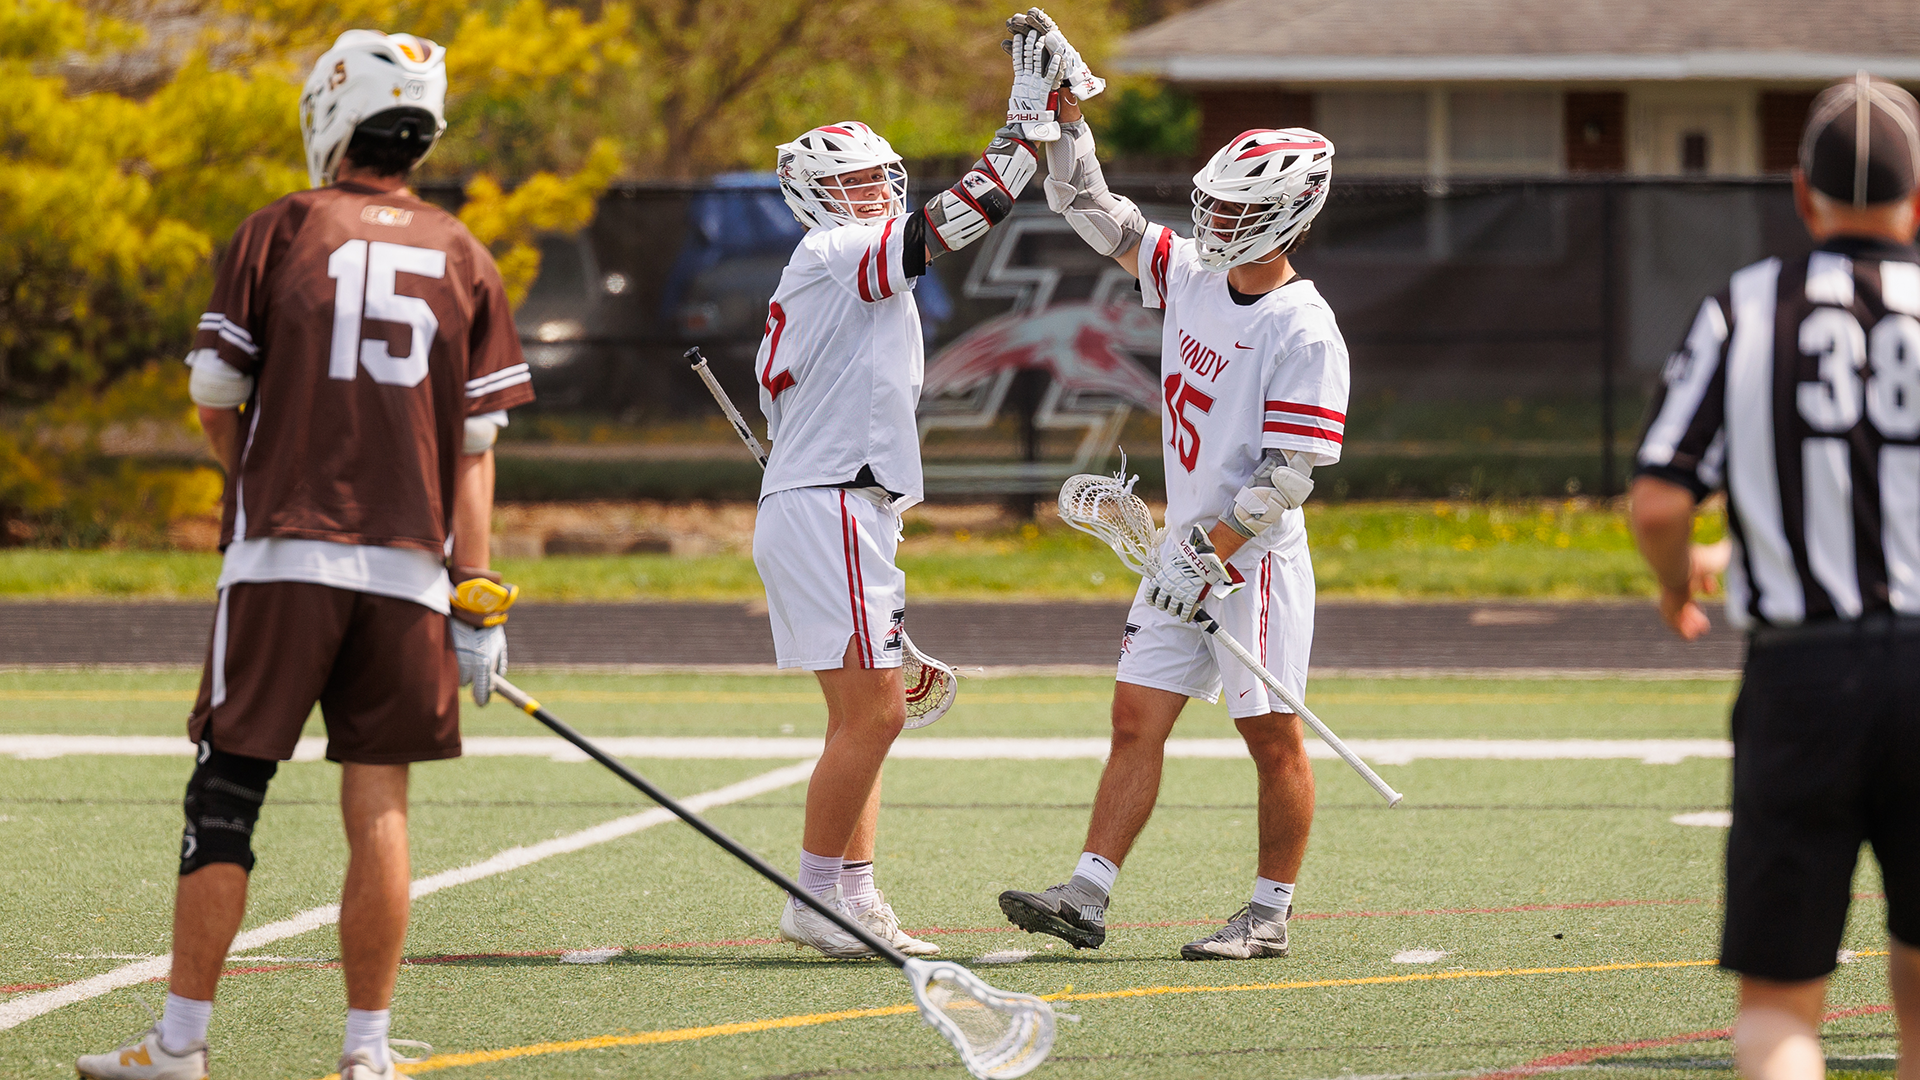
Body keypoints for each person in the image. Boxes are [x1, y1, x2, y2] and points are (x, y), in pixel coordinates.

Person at [76, 29, 532, 1080]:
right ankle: (365, 1054)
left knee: (228, 796)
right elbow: (475, 455)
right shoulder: (465, 252)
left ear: (333, 113)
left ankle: (181, 1045)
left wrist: (257, 481)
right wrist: (479, 597)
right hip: (413, 574)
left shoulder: (279, 229)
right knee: (378, 804)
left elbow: (213, 398)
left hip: (284, 560)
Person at [993, 11, 1347, 962]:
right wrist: (1066, 123)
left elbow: (1289, 476)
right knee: (1132, 716)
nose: (1215, 224)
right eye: (1216, 206)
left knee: (1270, 737)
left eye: (1238, 213)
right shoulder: (1192, 272)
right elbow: (1094, 212)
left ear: (1290, 218)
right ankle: (1088, 893)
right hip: (1181, 551)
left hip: (1248, 564)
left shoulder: (1303, 328)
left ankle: (1268, 912)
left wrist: (1211, 551)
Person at [750, 22, 1077, 958]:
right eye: (857, 182)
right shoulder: (833, 253)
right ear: (817, 194)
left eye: (882, 178)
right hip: (829, 503)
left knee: (867, 717)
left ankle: (851, 894)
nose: (878, 192)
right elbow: (954, 222)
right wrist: (1022, 131)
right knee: (879, 714)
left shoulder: (847, 268)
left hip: (838, 503)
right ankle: (814, 896)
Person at [1630, 72, 1920, 1080]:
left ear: (1803, 194)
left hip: (1803, 681)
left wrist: (1679, 583)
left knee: (1782, 1016)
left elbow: (1661, 501)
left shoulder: (1747, 310)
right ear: (1917, 198)